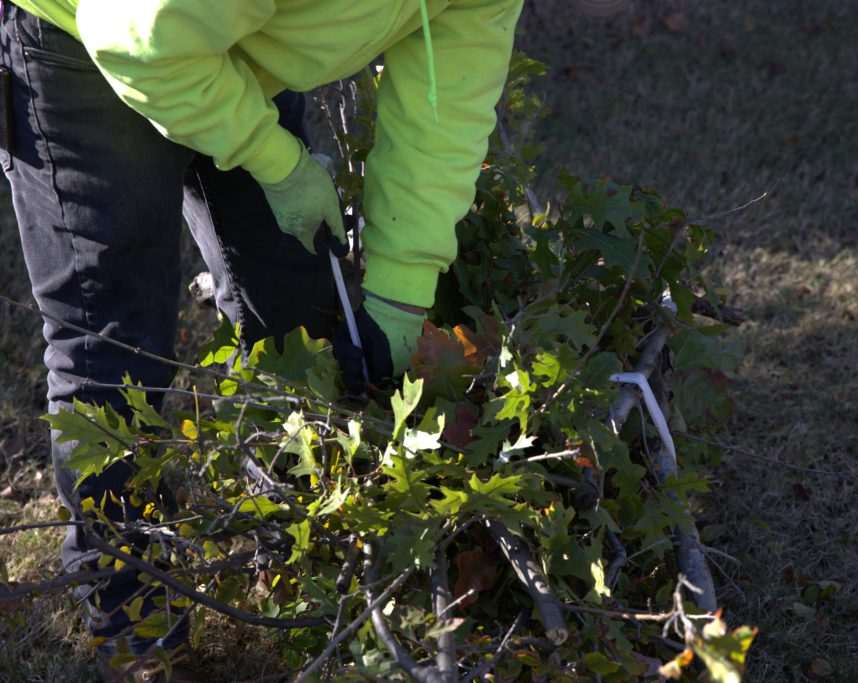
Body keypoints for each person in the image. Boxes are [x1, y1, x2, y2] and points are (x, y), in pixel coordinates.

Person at [0, 0, 524, 679]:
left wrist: (399, 293)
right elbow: (135, 40)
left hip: (227, 43)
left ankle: (306, 558)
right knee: (115, 346)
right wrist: (274, 159)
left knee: (297, 309)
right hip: (95, 40)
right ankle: (135, 632)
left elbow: (442, 107)